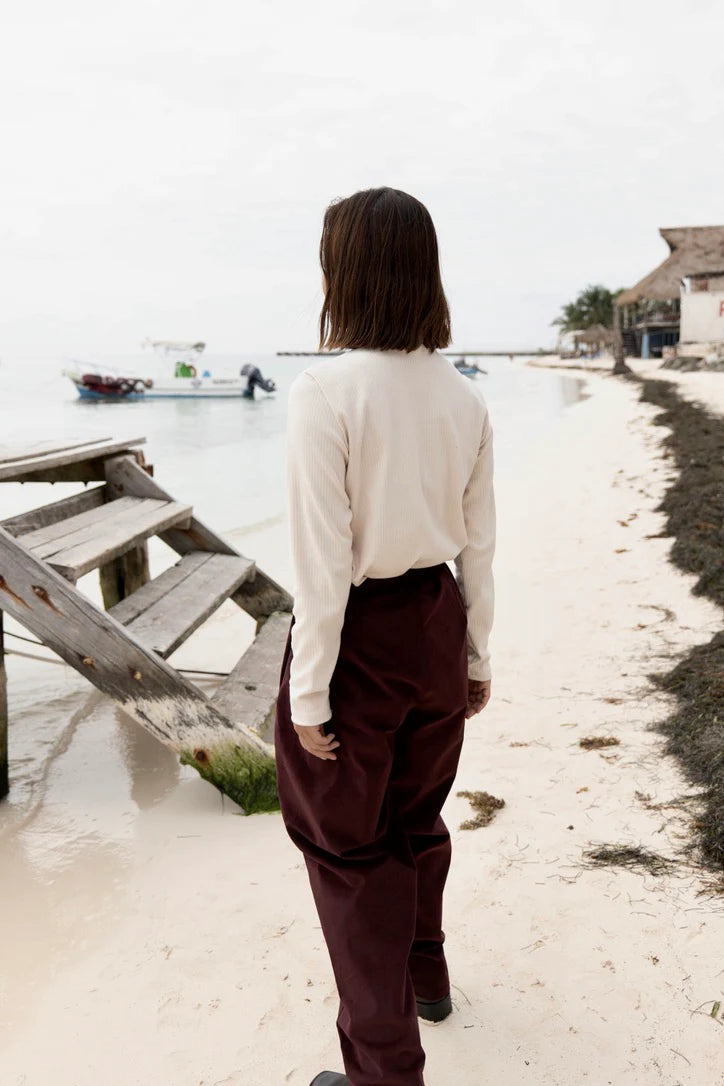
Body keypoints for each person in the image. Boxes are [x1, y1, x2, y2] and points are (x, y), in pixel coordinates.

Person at [274, 187, 496, 1086]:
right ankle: (426, 971)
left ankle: (382, 1071)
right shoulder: (462, 394)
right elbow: (480, 538)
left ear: (346, 272)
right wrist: (478, 652)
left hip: (360, 633)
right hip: (438, 617)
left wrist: (308, 696)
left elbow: (322, 561)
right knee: (416, 815)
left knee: (348, 849)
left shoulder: (326, 389)